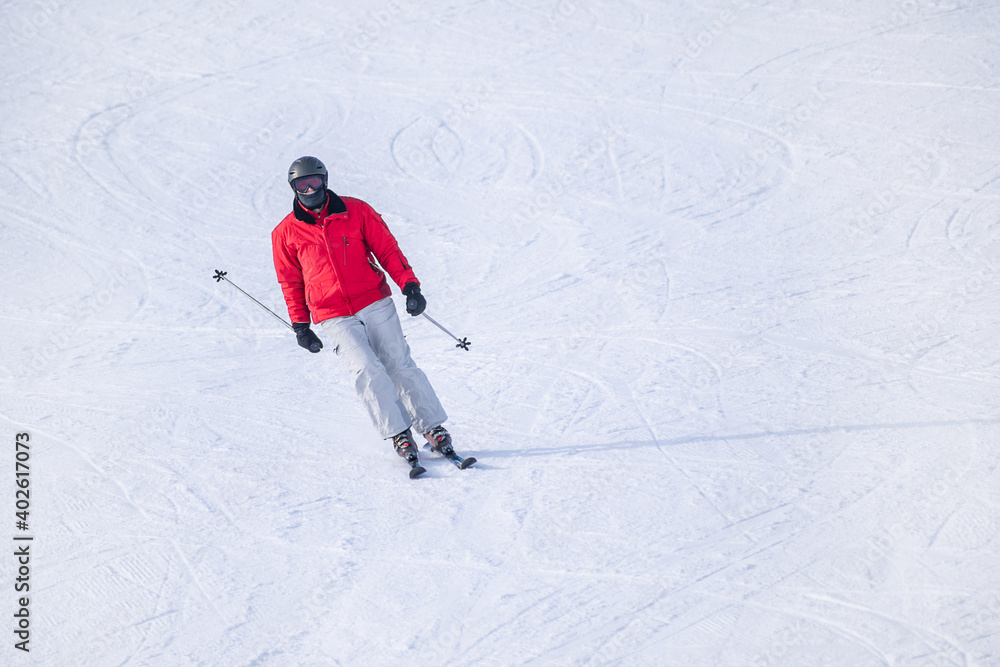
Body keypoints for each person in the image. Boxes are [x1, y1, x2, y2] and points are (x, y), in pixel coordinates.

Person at [271, 156, 453, 471]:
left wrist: (409, 286)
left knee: (399, 363)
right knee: (368, 370)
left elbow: (387, 249)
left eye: (313, 181)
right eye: (302, 184)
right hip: (332, 313)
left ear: (325, 180)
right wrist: (301, 325)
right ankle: (398, 433)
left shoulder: (356, 211)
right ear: (293, 188)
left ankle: (433, 427)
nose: (309, 188)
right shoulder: (285, 233)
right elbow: (290, 281)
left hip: (374, 300)